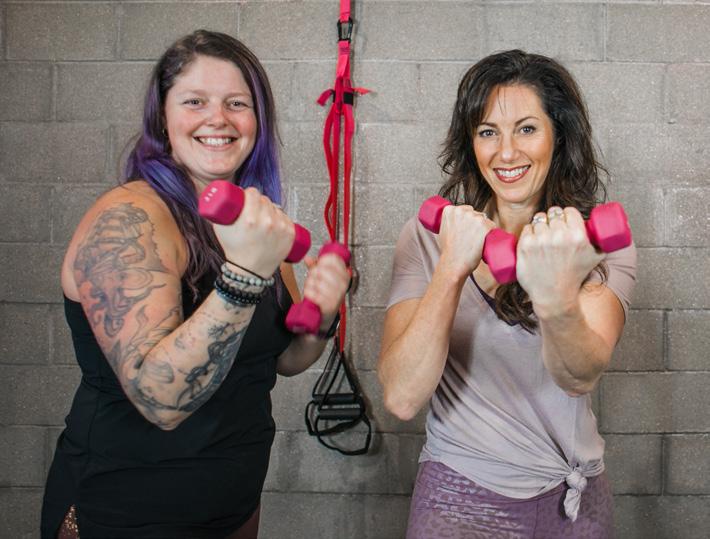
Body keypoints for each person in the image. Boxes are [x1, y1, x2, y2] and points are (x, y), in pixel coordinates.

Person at [41, 30, 350, 538]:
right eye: (195, 101)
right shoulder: (129, 219)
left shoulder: (254, 220)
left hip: (232, 506)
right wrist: (245, 274)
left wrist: (322, 315)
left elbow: (280, 361)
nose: (218, 118)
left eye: (237, 103)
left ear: (257, 120)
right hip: (123, 513)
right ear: (162, 118)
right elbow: (160, 401)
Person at [378, 50, 636, 538]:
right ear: (470, 142)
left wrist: (555, 290)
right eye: (488, 132)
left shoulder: (594, 243)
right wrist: (452, 268)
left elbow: (578, 375)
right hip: (458, 494)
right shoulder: (428, 238)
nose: (507, 152)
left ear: (559, 137)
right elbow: (402, 397)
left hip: (571, 500)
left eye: (527, 129)